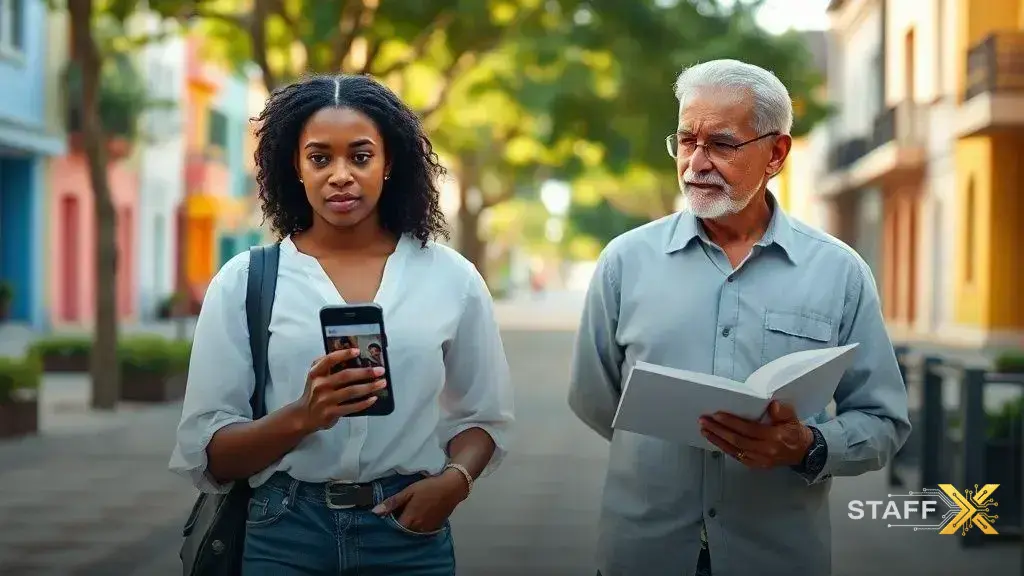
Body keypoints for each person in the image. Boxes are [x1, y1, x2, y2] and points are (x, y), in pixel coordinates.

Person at [567, 59, 911, 576]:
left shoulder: (840, 272)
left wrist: (808, 445)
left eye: (722, 144)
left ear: (776, 153)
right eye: (686, 141)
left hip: (776, 556)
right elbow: (595, 399)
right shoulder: (624, 262)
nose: (696, 163)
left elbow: (884, 421)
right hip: (644, 553)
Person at [169, 73, 514, 576]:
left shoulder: (451, 278)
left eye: (360, 155)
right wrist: (304, 415)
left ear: (388, 162)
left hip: (408, 530)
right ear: (296, 165)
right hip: (284, 531)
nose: (340, 175)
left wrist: (454, 482)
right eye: (320, 157)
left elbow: (485, 417)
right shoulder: (245, 281)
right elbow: (212, 456)